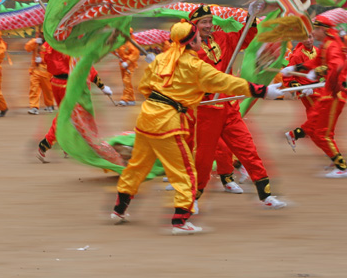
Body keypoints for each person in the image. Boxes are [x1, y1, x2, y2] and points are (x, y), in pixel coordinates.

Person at [109, 21, 284, 235]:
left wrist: (167, 90)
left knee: (137, 167)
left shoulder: (162, 59)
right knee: (185, 173)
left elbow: (145, 87)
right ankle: (180, 221)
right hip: (168, 124)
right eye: (198, 38)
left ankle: (119, 210)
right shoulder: (195, 66)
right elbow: (226, 82)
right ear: (191, 42)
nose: (202, 39)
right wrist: (263, 91)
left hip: (147, 119)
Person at [191, 3, 287, 207]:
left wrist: (251, 17)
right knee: (204, 158)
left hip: (229, 105)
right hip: (207, 108)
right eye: (203, 23)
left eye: (209, 21)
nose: (208, 26)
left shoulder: (222, 38)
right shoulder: (189, 51)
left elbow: (246, 37)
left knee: (247, 148)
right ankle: (192, 198)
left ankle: (265, 195)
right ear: (194, 26)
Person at [283, 15, 347, 178]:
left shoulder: (332, 46)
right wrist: (294, 67)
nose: (312, 34)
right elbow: (315, 63)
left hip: (334, 93)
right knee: (318, 128)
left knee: (319, 131)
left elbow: (334, 67)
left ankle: (342, 167)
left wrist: (319, 71)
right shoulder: (327, 44)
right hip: (325, 93)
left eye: (314, 30)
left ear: (322, 30)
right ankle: (336, 162)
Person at [36, 44, 113, 162]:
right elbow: (86, 67)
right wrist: (102, 86)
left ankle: (66, 146)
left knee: (67, 116)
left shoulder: (48, 44)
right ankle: (46, 143)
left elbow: (45, 61)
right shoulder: (72, 46)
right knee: (65, 115)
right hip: (69, 85)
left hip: (56, 82)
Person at [280, 33, 321, 149]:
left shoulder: (317, 51)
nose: (308, 40)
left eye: (310, 37)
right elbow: (288, 77)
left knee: (316, 114)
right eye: (304, 38)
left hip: (317, 88)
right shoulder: (297, 55)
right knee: (321, 114)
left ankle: (306, 132)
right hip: (307, 91)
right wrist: (300, 88)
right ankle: (296, 134)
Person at [24, 31, 55, 115]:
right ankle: (34, 107)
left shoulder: (50, 43)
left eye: (43, 34)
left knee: (48, 89)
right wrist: (35, 42)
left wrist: (42, 60)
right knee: (34, 88)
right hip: (35, 70)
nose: (42, 36)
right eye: (41, 34)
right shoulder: (36, 42)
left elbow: (52, 56)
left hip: (46, 71)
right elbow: (27, 48)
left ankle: (49, 104)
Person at [114, 29, 140, 106]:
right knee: (126, 82)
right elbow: (117, 51)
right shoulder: (121, 43)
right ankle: (131, 99)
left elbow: (135, 54)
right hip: (122, 65)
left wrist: (128, 62)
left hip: (130, 65)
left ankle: (125, 99)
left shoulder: (132, 43)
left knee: (126, 81)